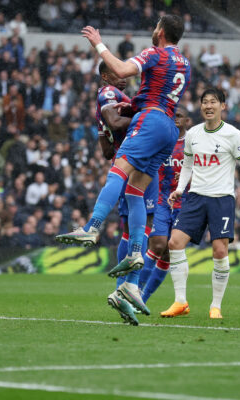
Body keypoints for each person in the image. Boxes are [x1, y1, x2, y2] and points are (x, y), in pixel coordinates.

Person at [57, 15, 190, 315]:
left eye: (155, 26)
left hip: (151, 121)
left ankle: (92, 227)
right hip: (169, 127)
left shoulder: (155, 53)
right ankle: (131, 278)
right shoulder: (184, 62)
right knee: (135, 189)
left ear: (160, 31)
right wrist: (131, 105)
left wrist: (98, 44)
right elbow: (161, 93)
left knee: (119, 170)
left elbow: (120, 68)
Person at [160, 88, 240, 319]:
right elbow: (187, 165)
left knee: (220, 250)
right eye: (205, 102)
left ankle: (216, 306)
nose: (208, 106)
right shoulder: (193, 133)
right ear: (201, 106)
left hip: (222, 199)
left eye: (213, 102)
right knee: (174, 243)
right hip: (195, 197)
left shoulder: (233, 135)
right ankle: (180, 301)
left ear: (222, 106)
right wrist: (180, 189)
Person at [93, 61, 158, 325]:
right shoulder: (108, 94)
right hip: (135, 163)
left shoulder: (121, 97)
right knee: (144, 227)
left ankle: (124, 289)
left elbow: (107, 150)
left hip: (127, 160)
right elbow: (114, 119)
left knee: (132, 229)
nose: (124, 78)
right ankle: (126, 287)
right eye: (117, 75)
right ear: (106, 75)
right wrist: (146, 121)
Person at [138, 105, 191, 304]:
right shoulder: (162, 141)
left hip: (184, 203)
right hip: (160, 199)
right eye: (173, 116)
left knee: (169, 252)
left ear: (187, 121)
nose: (175, 119)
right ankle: (136, 290)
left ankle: (143, 298)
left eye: (180, 116)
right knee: (158, 244)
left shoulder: (192, 144)